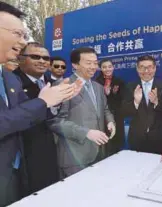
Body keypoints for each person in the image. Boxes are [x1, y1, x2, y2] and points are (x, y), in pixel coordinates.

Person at [0, 2, 82, 206]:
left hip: (15, 172)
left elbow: (25, 113)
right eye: (17, 33)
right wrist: (43, 101)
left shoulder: (9, 79)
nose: (23, 40)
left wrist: (55, 99)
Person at [49, 47, 115, 178]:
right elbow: (55, 122)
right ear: (75, 65)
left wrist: (111, 121)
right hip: (74, 156)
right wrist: (86, 133)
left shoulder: (98, 87)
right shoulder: (63, 85)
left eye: (95, 63)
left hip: (98, 152)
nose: (93, 67)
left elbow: (105, 109)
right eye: (88, 63)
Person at [13, 42, 59, 195]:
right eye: (35, 57)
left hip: (47, 148)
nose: (42, 61)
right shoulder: (12, 82)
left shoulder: (49, 82)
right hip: (23, 152)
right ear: (21, 58)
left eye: (46, 58)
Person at [122, 55, 162, 154]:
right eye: (142, 67)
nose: (146, 71)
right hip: (137, 139)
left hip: (159, 139)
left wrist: (156, 102)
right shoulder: (130, 86)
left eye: (149, 67)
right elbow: (124, 112)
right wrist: (136, 102)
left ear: (154, 68)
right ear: (137, 69)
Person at [96, 58, 125, 155]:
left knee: (116, 143)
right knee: (103, 143)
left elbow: (123, 99)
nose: (107, 69)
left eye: (109, 66)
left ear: (113, 68)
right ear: (100, 69)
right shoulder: (96, 82)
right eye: (104, 67)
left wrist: (112, 94)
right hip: (101, 116)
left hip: (117, 115)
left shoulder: (119, 81)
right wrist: (104, 94)